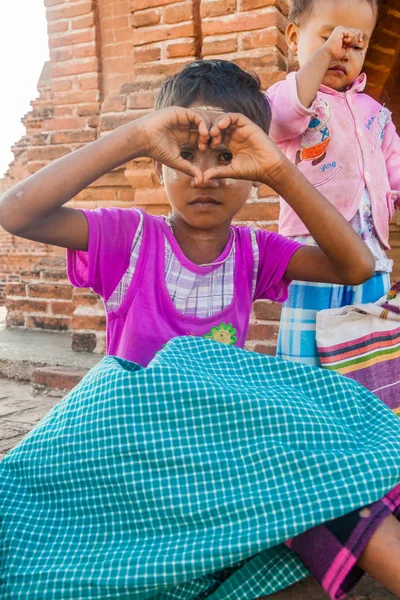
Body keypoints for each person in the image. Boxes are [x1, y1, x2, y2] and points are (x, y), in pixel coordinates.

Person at [0, 60, 399, 599]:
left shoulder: (256, 253)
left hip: (211, 453)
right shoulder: (129, 238)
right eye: (183, 155)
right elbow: (17, 214)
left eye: (229, 158)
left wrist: (279, 171)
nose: (204, 176)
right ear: (158, 161)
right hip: (134, 449)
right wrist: (139, 135)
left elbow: (355, 267)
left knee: (316, 476)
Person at [267, 0, 400, 366]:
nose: (343, 52)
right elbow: (280, 120)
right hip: (313, 255)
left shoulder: (376, 113)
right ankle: (304, 419)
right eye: (331, 38)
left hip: (370, 255)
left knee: (367, 358)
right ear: (294, 37)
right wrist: (323, 56)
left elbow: (395, 165)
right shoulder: (289, 96)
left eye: (356, 46)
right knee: (305, 362)